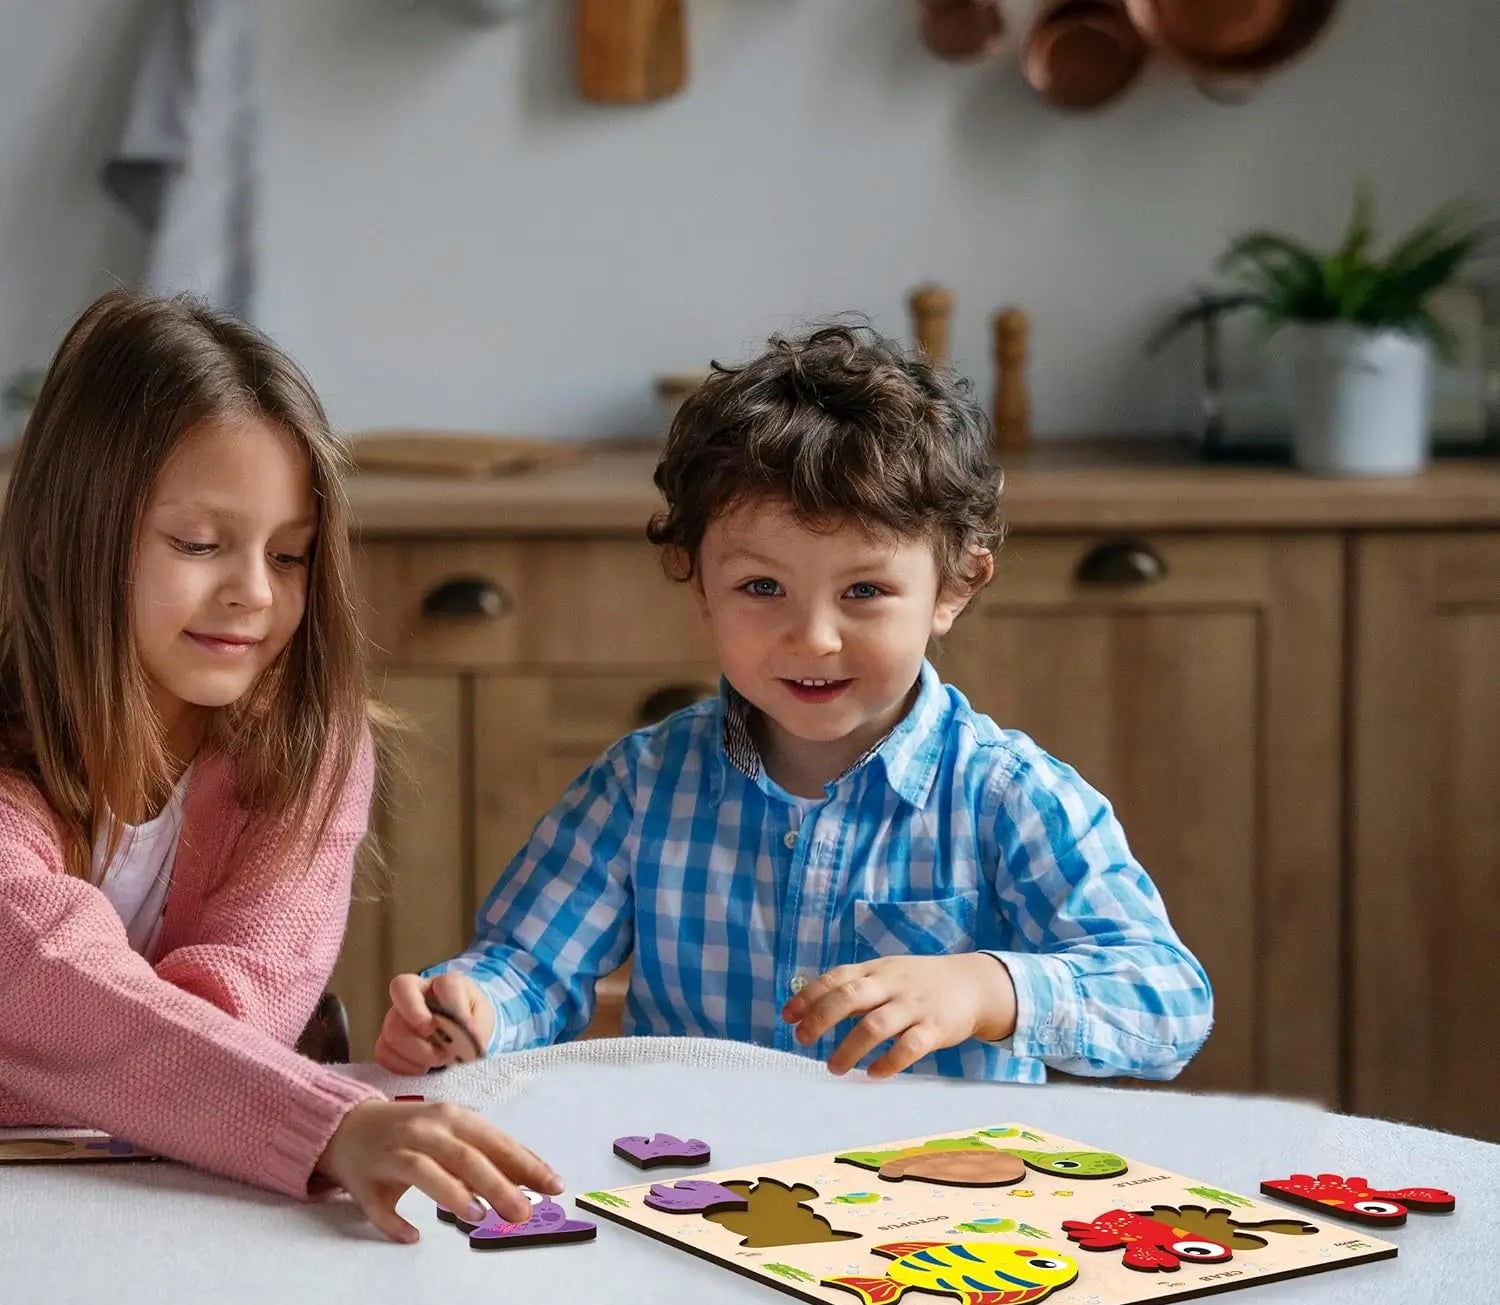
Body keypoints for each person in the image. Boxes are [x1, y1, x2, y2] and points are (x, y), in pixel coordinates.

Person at [377, 324, 1212, 1084]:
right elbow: (529, 969)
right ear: (697, 583)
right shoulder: (640, 786)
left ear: (955, 587)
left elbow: (1170, 1002)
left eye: (866, 590)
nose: (812, 638)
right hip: (692, 1194)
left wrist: (987, 987)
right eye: (762, 586)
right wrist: (470, 1016)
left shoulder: (1006, 796)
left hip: (932, 1214)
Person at [0, 290, 559, 1242]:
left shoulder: (314, 749)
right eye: (198, 545)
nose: (253, 593)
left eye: (290, 556)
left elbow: (241, 1008)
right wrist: (325, 1119)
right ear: (56, 549)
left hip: (170, 1210)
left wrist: (76, 1061)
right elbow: (44, 971)